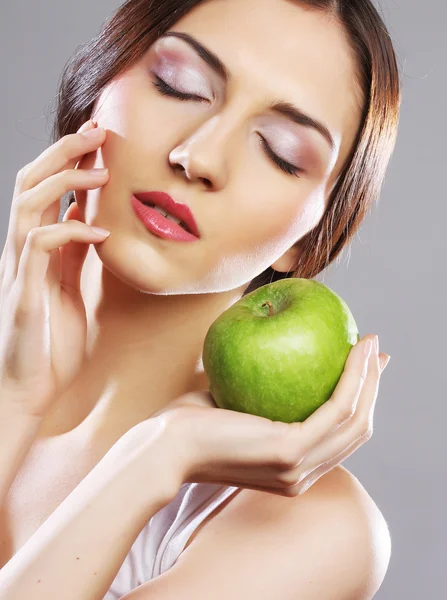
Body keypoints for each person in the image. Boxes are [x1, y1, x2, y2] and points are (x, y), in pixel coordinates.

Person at [0, 0, 400, 598]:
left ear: (309, 238)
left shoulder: (311, 531)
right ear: (96, 88)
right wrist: (13, 397)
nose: (199, 158)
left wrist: (158, 458)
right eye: (178, 86)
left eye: (280, 150)